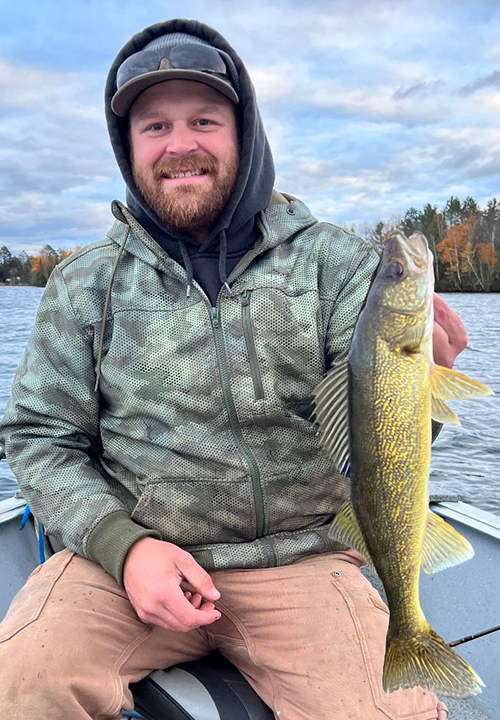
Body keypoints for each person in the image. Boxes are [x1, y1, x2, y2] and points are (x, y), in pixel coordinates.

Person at [0, 18, 463, 719]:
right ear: (128, 149)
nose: (180, 144)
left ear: (244, 135)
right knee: (21, 684)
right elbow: (39, 438)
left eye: (204, 120)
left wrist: (423, 381)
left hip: (301, 559)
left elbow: (384, 429)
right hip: (124, 564)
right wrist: (124, 549)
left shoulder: (336, 265)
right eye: (154, 126)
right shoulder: (83, 284)